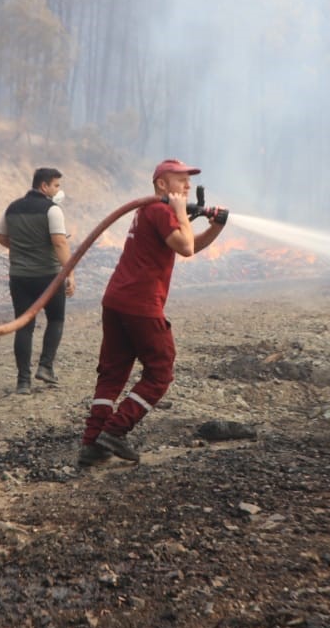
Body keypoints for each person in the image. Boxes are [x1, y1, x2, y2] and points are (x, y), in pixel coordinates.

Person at [78, 159, 228, 467]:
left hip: (117, 299)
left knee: (113, 372)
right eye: (181, 180)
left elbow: (188, 246)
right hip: (141, 303)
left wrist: (215, 225)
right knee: (160, 370)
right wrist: (182, 215)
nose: (187, 185)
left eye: (189, 181)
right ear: (162, 184)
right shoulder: (160, 210)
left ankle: (92, 443)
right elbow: (185, 247)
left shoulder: (153, 211)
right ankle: (115, 430)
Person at [0, 167, 74, 394]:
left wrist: (23, 250)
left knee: (23, 326)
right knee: (56, 319)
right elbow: (59, 243)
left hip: (19, 277)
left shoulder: (12, 208)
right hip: (48, 276)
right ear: (44, 186)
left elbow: (0, 237)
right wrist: (69, 273)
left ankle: (23, 382)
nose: (59, 190)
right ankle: (46, 367)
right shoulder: (53, 210)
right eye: (56, 186)